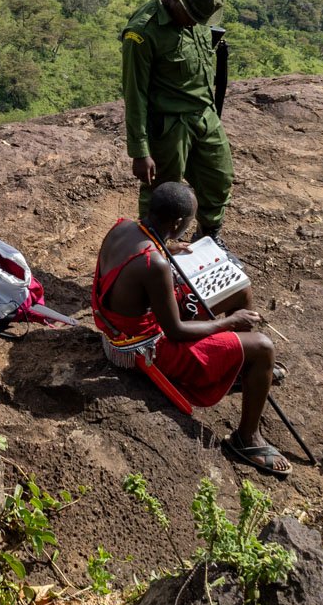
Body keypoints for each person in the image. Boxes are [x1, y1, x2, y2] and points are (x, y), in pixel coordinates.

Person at [92, 182, 291, 479]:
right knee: (263, 347)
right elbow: (176, 331)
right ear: (176, 223)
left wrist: (166, 246)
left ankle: (239, 367)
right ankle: (246, 439)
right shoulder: (154, 263)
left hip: (138, 323)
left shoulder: (124, 227)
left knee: (240, 290)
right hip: (143, 348)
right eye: (187, 223)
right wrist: (229, 322)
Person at [121, 0, 232, 242]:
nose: (196, 22)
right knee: (163, 195)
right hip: (169, 125)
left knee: (219, 179)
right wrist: (139, 150)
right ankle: (152, 252)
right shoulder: (143, 32)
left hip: (204, 116)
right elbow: (135, 94)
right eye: (192, 15)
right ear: (177, 0)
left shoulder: (195, 15)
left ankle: (208, 237)